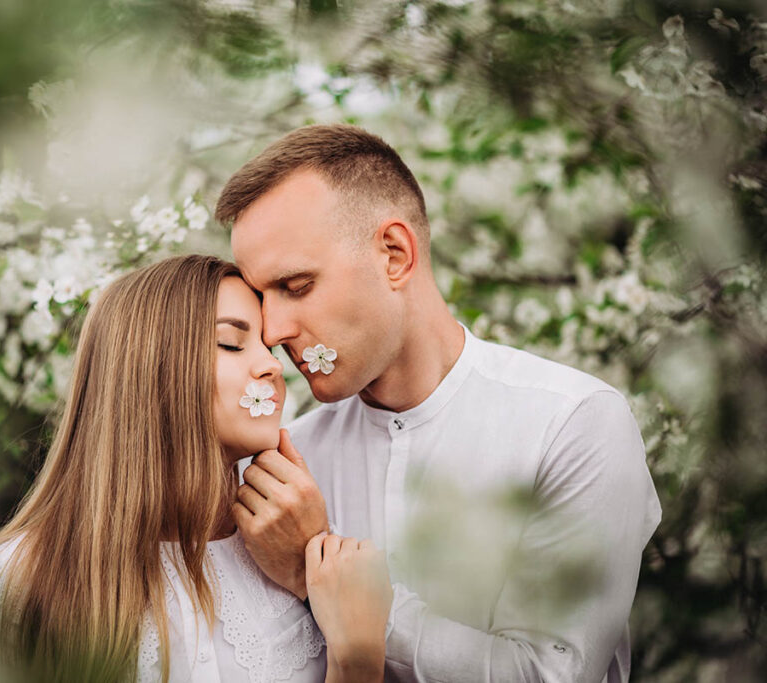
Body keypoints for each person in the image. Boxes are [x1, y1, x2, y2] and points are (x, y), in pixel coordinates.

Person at [218, 124, 663, 682]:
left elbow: (551, 675)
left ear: (395, 255)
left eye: (297, 286)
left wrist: (319, 571)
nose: (274, 328)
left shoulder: (570, 422)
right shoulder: (283, 468)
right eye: (261, 297)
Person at [0, 254, 391, 683]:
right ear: (153, 367)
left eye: (269, 348)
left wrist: (357, 661)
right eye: (231, 344)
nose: (272, 366)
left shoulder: (299, 554)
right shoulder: (19, 579)